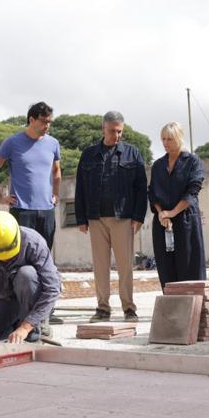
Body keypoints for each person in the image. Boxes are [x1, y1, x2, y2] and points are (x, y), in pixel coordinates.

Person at [0, 101, 63, 325]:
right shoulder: (13, 143)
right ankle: (19, 311)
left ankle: (46, 311)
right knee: (19, 264)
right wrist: (0, 197)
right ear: (31, 119)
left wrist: (55, 195)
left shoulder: (53, 143)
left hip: (46, 210)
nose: (47, 126)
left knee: (45, 261)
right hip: (21, 212)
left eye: (50, 122)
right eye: (43, 121)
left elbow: (57, 172)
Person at [74, 111, 147, 321]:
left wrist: (138, 217)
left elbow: (141, 188)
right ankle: (103, 308)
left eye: (120, 131)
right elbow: (80, 188)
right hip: (95, 218)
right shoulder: (88, 155)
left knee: (125, 266)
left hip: (123, 217)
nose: (117, 135)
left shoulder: (132, 154)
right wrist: (81, 218)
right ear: (103, 129)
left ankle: (129, 308)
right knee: (100, 266)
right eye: (113, 131)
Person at [0, 211, 62, 344]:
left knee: (26, 274)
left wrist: (26, 327)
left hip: (33, 299)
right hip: (6, 301)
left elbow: (52, 289)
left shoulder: (34, 242)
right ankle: (13, 325)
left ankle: (33, 333)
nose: (6, 258)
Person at [149, 122, 206, 286]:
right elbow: (152, 192)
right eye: (163, 139)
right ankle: (172, 307)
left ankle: (193, 307)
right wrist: (162, 213)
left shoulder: (192, 161)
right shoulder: (158, 165)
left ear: (179, 138)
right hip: (162, 222)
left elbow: (193, 189)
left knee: (189, 267)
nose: (166, 143)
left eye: (170, 139)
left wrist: (173, 212)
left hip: (186, 220)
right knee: (166, 269)